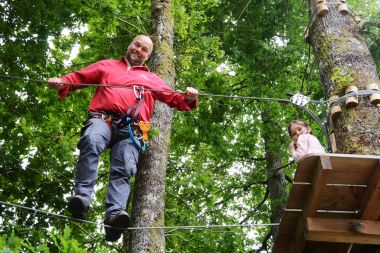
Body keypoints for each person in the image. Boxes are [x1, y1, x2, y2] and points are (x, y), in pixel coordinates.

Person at [48, 35, 199, 242]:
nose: (139, 50)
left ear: (148, 56)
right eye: (137, 45)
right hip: (103, 118)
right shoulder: (107, 66)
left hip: (132, 128)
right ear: (130, 45)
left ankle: (114, 218)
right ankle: (82, 199)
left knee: (124, 168)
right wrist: (62, 82)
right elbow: (79, 77)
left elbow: (175, 98)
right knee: (91, 141)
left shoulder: (152, 79)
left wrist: (189, 97)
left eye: (144, 49)